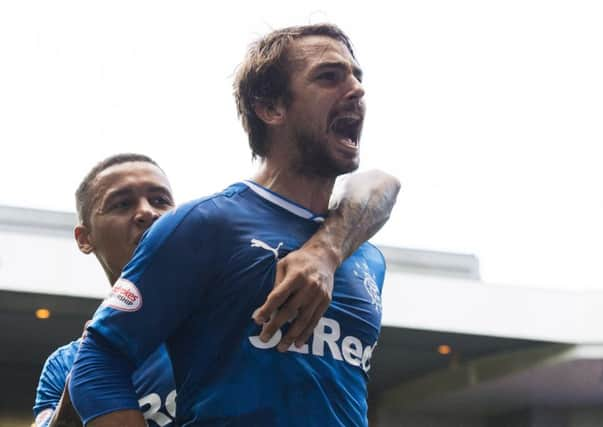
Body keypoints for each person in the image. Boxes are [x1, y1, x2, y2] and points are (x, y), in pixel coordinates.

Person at [70, 23, 398, 427]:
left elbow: (385, 184)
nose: (356, 89)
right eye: (328, 77)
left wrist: (326, 252)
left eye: (357, 76)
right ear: (271, 108)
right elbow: (99, 358)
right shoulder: (204, 224)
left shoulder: (364, 253)